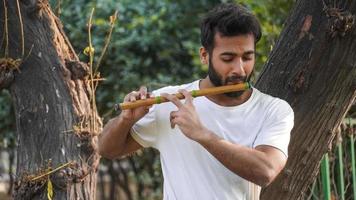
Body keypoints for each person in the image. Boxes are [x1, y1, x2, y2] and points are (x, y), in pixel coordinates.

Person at [99, 3, 294, 200]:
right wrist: (125, 121)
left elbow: (266, 171)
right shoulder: (171, 101)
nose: (240, 70)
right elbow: (107, 149)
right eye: (228, 58)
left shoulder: (273, 110)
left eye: (247, 57)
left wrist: (202, 134)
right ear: (204, 55)